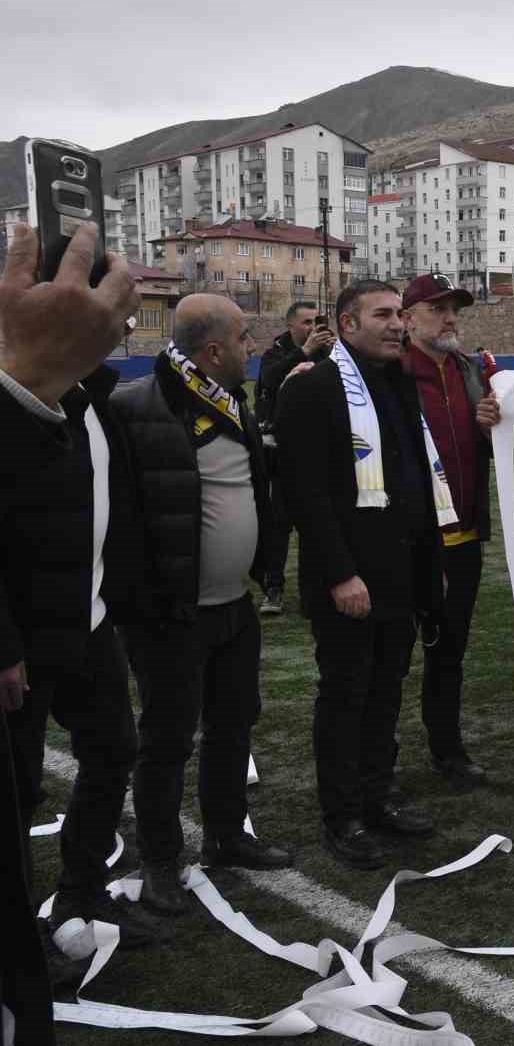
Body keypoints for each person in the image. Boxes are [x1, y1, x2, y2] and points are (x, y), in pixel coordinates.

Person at [1, 224, 173, 976]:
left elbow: (117, 505)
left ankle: (82, 895)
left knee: (113, 751)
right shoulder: (13, 400)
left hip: (93, 618)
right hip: (21, 635)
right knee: (22, 785)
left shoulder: (100, 393)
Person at [111, 295, 294, 916]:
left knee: (232, 726)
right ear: (214, 350)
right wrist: (146, 600)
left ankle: (225, 835)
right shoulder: (135, 408)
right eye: (244, 337)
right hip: (170, 616)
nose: (252, 346)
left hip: (232, 608)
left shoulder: (230, 403)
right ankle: (160, 858)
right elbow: (121, 519)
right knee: (166, 741)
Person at [276, 280, 444, 869]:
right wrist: (341, 574)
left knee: (385, 693)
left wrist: (427, 567)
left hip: (398, 575)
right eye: (384, 315)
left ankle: (379, 794)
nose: (398, 324)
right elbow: (306, 497)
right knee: (345, 696)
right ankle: (341, 815)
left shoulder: (398, 384)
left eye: (401, 314)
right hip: (347, 580)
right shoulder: (313, 389)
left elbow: (415, 482)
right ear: (347, 325)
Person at [402, 273, 496, 787]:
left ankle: (447, 748)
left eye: (454, 308)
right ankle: (379, 758)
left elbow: (484, 444)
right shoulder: (389, 372)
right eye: (437, 308)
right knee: (391, 656)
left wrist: (489, 428)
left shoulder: (467, 370)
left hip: (462, 537)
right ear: (409, 316)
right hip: (409, 541)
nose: (449, 317)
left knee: (449, 653)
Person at [254, 301, 335, 615]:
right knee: (278, 524)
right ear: (291, 326)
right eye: (306, 322)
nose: (313, 327)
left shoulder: (329, 353)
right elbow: (270, 379)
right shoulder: (276, 352)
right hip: (281, 451)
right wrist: (304, 353)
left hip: (320, 449)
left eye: (317, 320)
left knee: (320, 519)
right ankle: (273, 588)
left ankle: (316, 589)